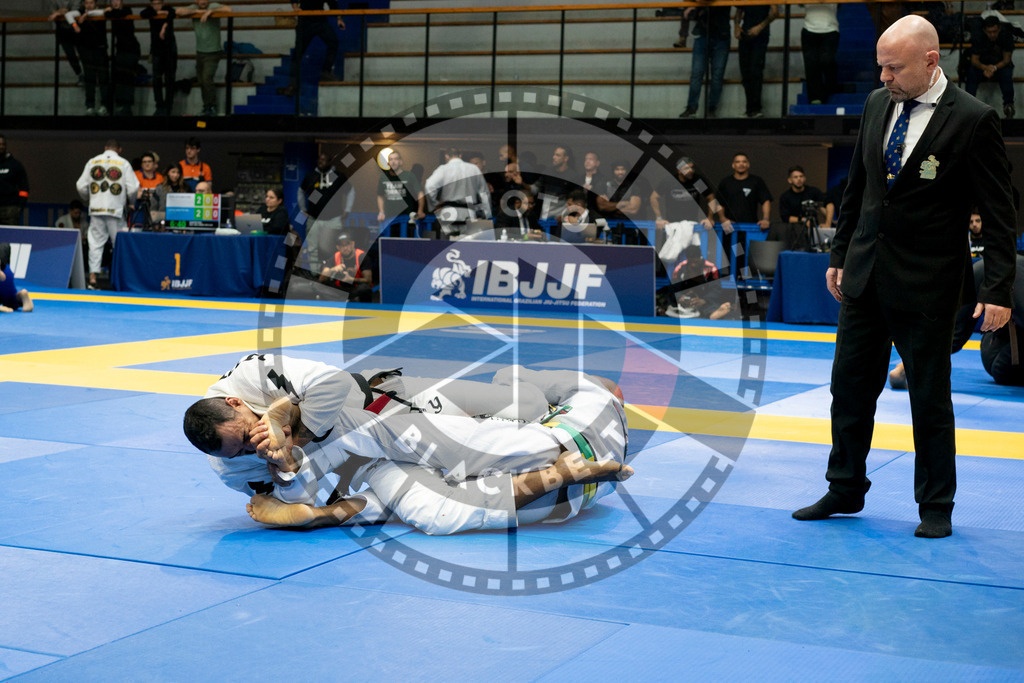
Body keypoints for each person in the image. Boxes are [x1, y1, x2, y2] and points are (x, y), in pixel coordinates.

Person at [792, 15, 1017, 539]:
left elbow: (1001, 213)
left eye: (894, 68)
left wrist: (998, 290)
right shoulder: (877, 104)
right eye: (880, 67)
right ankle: (844, 486)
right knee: (847, 388)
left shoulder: (973, 118)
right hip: (866, 275)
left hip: (930, 284)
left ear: (930, 60)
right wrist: (838, 254)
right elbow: (860, 191)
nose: (884, 77)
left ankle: (936, 504)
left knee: (928, 398)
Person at [183, 354, 630, 534]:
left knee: (525, 402)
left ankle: (524, 381)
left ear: (235, 402)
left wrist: (290, 420)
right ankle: (555, 467)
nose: (249, 448)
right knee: (432, 509)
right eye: (240, 452)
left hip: (391, 403)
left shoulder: (254, 374)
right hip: (364, 461)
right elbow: (290, 490)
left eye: (246, 435)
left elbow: (334, 383)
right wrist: (282, 468)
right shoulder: (231, 468)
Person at [890, 255, 1024, 389]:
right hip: (1003, 276)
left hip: (987, 267)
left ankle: (904, 367)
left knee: (956, 336)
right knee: (1001, 369)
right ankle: (905, 368)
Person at [76, 139, 139, 289]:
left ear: (105, 148)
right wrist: (131, 202)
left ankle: (92, 278)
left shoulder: (92, 162)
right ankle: (121, 278)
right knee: (120, 244)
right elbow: (133, 187)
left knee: (95, 243)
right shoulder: (123, 163)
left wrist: (88, 197)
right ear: (119, 149)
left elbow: (80, 185)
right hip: (115, 209)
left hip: (96, 208)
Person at [277, 0, 345, 98]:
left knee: (333, 41)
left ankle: (326, 72)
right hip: (305, 20)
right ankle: (292, 84)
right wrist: (295, 7)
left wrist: (339, 18)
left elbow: (332, 2)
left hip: (319, 19)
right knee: (297, 53)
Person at [178, 0, 232, 117]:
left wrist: (210, 11)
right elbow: (179, 11)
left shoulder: (213, 5)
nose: (203, 1)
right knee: (202, 80)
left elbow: (228, 9)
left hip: (213, 52)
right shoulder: (193, 7)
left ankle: (211, 107)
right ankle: (207, 107)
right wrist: (197, 11)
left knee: (207, 78)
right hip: (200, 52)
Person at [423, 147, 491, 238]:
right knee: (467, 245)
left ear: (446, 156)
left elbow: (429, 186)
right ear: (460, 155)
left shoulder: (443, 169)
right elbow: (484, 193)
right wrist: (486, 213)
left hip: (448, 212)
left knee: (447, 247)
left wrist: (435, 206)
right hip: (469, 211)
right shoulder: (473, 169)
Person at [679, 2, 731, 117]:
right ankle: (693, 108)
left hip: (720, 34)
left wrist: (696, 7)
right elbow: (688, 11)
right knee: (698, 73)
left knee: (716, 75)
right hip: (706, 33)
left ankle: (710, 108)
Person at [965, 15, 1015, 119]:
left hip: (999, 67)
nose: (992, 34)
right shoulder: (978, 36)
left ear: (999, 29)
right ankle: (968, 108)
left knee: (1007, 73)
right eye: (989, 32)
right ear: (984, 30)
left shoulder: (1006, 35)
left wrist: (994, 68)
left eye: (995, 31)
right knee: (971, 73)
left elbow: (1006, 60)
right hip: (982, 67)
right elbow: (974, 60)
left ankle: (1009, 106)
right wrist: (985, 68)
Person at [666, 244, 732, 320]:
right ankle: (707, 315)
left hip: (703, 297)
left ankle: (712, 314)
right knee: (674, 305)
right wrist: (680, 297)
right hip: (686, 298)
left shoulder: (711, 268)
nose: (693, 264)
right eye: (691, 261)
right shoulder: (680, 268)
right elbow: (674, 286)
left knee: (711, 305)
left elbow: (716, 289)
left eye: (695, 261)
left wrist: (704, 300)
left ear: (700, 257)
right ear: (687, 259)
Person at [735, 4, 778, 117]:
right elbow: (739, 9)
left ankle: (756, 108)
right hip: (745, 32)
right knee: (745, 72)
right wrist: (736, 26)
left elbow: (775, 12)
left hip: (761, 34)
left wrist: (760, 27)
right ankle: (750, 109)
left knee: (755, 71)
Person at [67, 0, 109, 116]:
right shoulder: (80, 12)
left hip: (100, 49)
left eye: (91, 3)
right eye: (86, 3)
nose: (89, 5)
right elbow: (68, 15)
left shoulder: (100, 12)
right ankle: (90, 106)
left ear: (95, 3)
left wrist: (86, 15)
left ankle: (104, 105)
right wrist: (75, 25)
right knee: (89, 79)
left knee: (103, 79)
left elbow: (103, 11)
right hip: (86, 50)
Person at [140, 0, 178, 116]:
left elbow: (173, 13)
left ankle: (168, 107)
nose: (157, 5)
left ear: (163, 3)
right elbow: (143, 14)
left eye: (159, 3)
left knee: (169, 79)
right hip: (156, 49)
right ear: (151, 4)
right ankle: (159, 106)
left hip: (170, 49)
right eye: (154, 3)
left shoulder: (169, 9)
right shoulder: (150, 11)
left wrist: (164, 26)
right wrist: (158, 12)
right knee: (157, 79)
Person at [376, 149, 424, 235]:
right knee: (390, 241)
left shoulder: (409, 176)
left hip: (407, 216)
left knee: (406, 241)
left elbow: (420, 193)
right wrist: (381, 211)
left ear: (400, 162)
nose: (393, 162)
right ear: (388, 163)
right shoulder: (383, 177)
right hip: (389, 216)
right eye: (391, 159)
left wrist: (420, 210)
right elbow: (380, 195)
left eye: (396, 159)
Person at [106, 0, 141, 116]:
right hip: (120, 50)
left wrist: (111, 11)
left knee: (128, 78)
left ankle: (127, 106)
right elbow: (108, 15)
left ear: (121, 2)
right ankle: (120, 105)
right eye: (113, 1)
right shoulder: (113, 12)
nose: (115, 3)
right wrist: (110, 11)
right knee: (119, 78)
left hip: (131, 49)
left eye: (117, 1)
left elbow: (117, 14)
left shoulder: (127, 10)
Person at [801, 3, 840, 105]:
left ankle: (830, 89)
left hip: (830, 28)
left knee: (826, 60)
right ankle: (815, 97)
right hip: (809, 28)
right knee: (811, 65)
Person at [319, 231, 372, 301]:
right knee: (319, 287)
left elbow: (368, 280)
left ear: (353, 244)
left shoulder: (361, 256)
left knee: (365, 289)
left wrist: (351, 279)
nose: (345, 248)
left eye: (348, 244)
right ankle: (342, 301)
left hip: (356, 287)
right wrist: (332, 269)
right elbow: (321, 279)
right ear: (338, 247)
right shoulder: (335, 256)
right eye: (342, 245)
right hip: (340, 289)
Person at [533, 145, 576, 220]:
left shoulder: (572, 176)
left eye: (558, 155)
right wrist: (522, 183)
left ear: (566, 159)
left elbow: (574, 200)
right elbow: (534, 189)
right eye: (554, 154)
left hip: (561, 218)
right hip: (545, 216)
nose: (554, 157)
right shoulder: (547, 172)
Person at [48, 1, 84, 87]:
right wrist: (59, 12)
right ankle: (80, 74)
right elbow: (52, 11)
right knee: (70, 55)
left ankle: (89, 75)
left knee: (83, 53)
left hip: (76, 29)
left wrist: (58, 13)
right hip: (63, 31)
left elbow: (72, 13)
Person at [0, 135, 29, 226]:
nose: (1, 146)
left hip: (10, 209)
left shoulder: (15, 165)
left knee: (10, 238)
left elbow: (24, 188)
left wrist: (20, 206)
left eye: (3, 144)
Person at [0, 247, 33, 314]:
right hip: (8, 280)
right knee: (12, 302)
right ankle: (21, 295)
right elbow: (3, 278)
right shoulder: (6, 264)